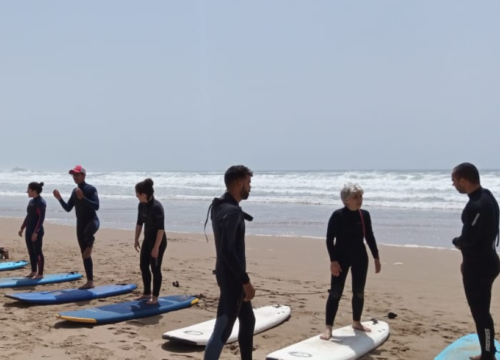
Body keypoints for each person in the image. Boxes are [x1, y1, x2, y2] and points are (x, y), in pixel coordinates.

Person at [204, 165, 256, 360]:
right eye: (248, 183)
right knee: (222, 331)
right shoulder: (232, 212)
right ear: (239, 183)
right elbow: (228, 251)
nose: (250, 187)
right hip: (233, 279)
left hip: (225, 273)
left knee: (248, 320)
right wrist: (245, 281)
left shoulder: (219, 205)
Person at [320, 182, 381, 340]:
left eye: (361, 196)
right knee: (335, 293)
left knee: (359, 292)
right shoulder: (337, 215)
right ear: (346, 199)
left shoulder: (364, 215)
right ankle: (328, 328)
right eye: (356, 197)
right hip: (340, 259)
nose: (360, 199)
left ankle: (356, 322)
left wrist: (376, 257)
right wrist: (333, 260)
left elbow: (369, 237)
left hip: (360, 257)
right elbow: (329, 239)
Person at [451, 163, 500, 360]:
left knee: (480, 313)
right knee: (482, 311)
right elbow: (482, 235)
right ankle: (488, 351)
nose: (453, 185)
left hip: (479, 267)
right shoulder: (488, 196)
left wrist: (456, 242)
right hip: (489, 260)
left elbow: (469, 239)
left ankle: (488, 354)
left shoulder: (475, 206)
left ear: (463, 180)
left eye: (454, 181)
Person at [53, 165, 100, 289]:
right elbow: (68, 208)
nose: (75, 177)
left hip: (92, 221)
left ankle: (91, 243)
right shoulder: (75, 191)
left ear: (83, 175)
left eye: (77, 174)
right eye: (74, 175)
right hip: (80, 224)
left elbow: (96, 206)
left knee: (87, 235)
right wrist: (59, 199)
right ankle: (90, 281)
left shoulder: (90, 189)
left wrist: (83, 198)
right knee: (84, 254)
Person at [134, 178, 167, 305]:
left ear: (143, 194)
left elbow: (161, 229)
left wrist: (156, 248)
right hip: (147, 240)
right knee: (143, 266)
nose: (136, 196)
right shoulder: (141, 205)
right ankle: (146, 293)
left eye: (137, 194)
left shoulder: (157, 207)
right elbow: (139, 223)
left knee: (155, 269)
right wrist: (136, 239)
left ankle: (155, 297)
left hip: (158, 242)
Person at [18, 182, 46, 279]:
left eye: (28, 190)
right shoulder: (32, 201)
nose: (27, 191)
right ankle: (33, 271)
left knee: (37, 251)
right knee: (31, 251)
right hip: (29, 230)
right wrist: (22, 228)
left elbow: (41, 219)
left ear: (34, 191)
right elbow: (29, 216)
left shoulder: (41, 203)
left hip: (36, 232)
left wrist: (36, 232)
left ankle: (40, 273)